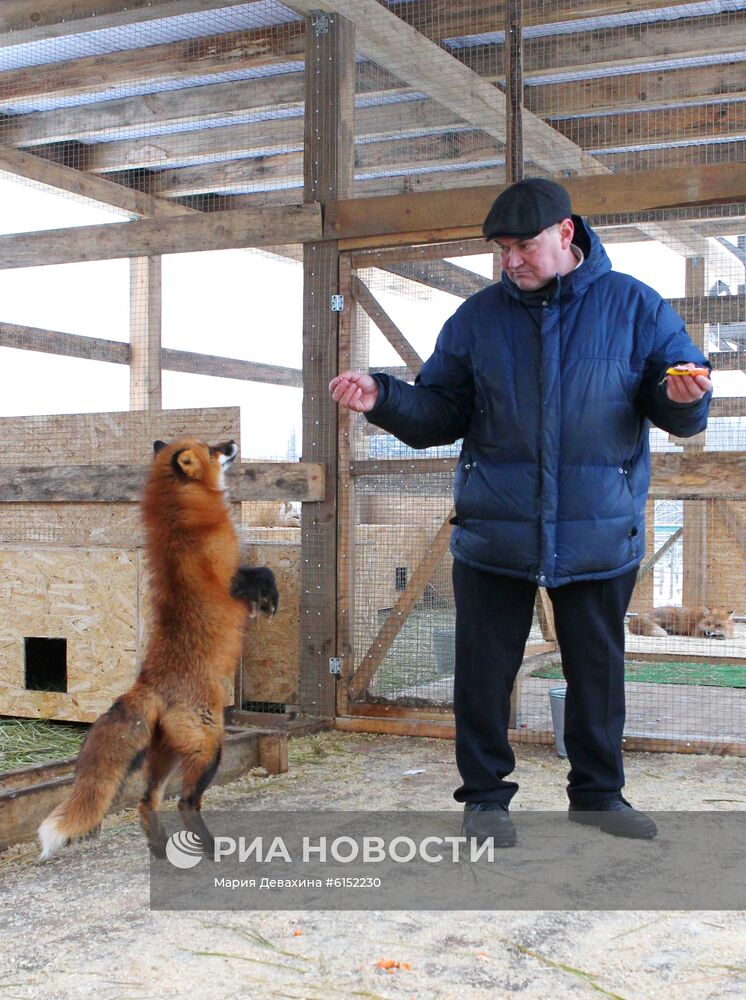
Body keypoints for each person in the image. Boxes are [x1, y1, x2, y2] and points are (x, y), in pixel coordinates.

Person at [329, 177, 712, 846]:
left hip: (597, 529)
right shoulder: (478, 320)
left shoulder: (636, 308)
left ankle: (598, 796)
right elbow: (438, 414)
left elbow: (678, 404)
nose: (511, 261)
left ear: (566, 234)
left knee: (597, 671)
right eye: (501, 250)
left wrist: (684, 396)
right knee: (483, 674)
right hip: (495, 531)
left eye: (523, 246)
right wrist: (384, 398)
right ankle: (484, 801)